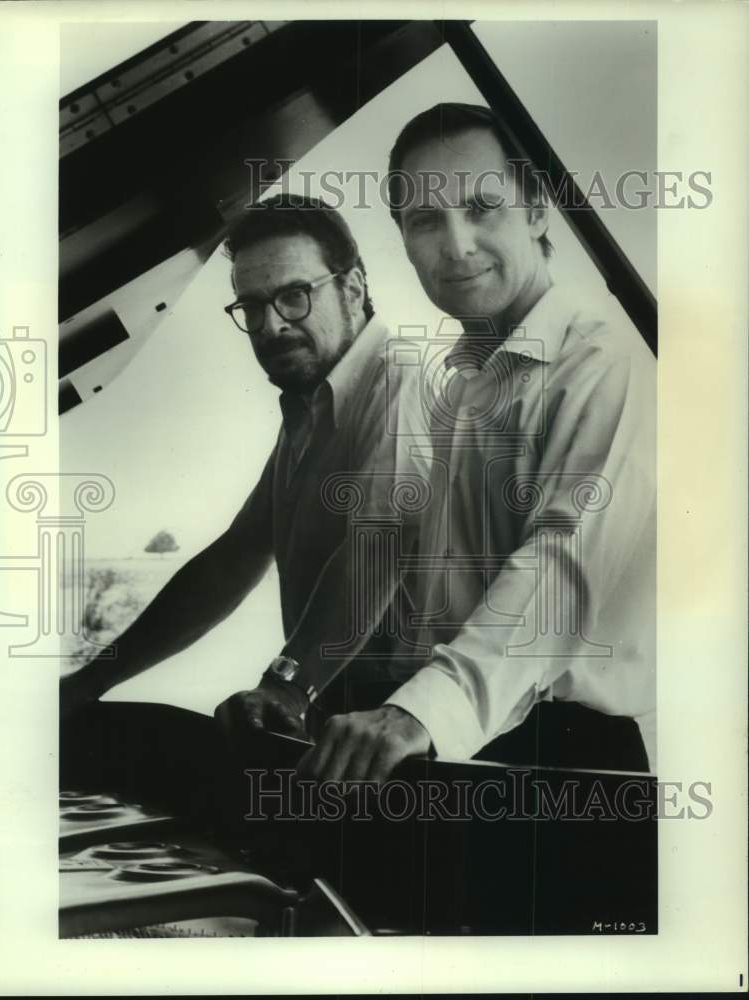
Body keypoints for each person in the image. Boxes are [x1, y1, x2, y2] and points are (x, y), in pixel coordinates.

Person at [297, 103, 656, 782]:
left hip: (574, 763)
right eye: (425, 220)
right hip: (470, 743)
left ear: (539, 211)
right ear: (402, 239)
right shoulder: (465, 384)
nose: (455, 245)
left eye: (482, 206)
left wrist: (421, 711)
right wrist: (305, 685)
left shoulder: (605, 362)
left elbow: (559, 569)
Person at [60, 194, 430, 759]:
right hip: (354, 732)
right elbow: (236, 557)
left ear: (352, 289)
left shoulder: (401, 384)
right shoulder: (310, 414)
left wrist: (284, 687)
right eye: (251, 307)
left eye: (293, 297)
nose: (271, 325)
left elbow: (377, 545)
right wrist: (90, 682)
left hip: (442, 742)